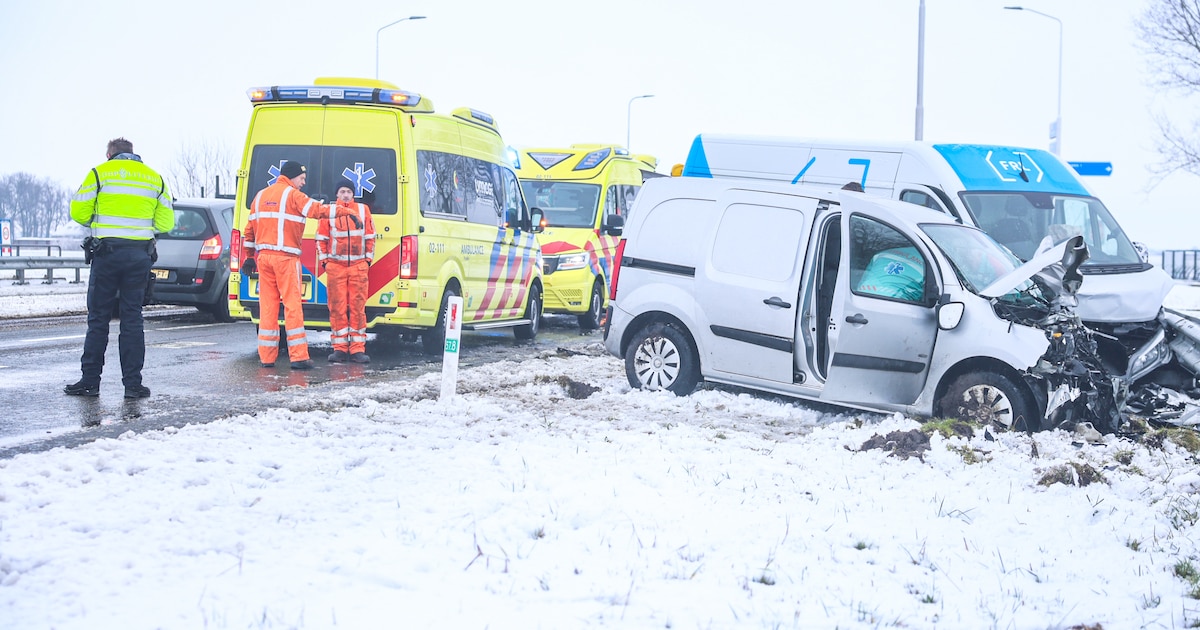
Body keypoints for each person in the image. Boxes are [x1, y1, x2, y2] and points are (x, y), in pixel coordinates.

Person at [65, 138, 174, 398]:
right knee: (132, 319)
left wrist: (100, 217)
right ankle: (133, 386)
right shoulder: (154, 178)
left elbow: (78, 213)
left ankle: (90, 382)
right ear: (133, 154)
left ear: (109, 154)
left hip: (107, 255)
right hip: (139, 257)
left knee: (99, 319)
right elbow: (166, 223)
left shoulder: (99, 173)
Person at [241, 161, 331, 369]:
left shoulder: (260, 196)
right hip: (286, 259)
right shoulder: (293, 195)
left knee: (268, 308)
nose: (303, 183)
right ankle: (298, 357)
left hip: (264, 260)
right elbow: (317, 210)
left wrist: (248, 256)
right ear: (292, 177)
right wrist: (345, 212)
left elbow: (249, 231)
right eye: (301, 179)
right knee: (292, 306)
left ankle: (267, 357)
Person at [317, 180, 375, 364]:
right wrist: (325, 262)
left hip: (358, 267)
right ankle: (339, 349)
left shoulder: (363, 210)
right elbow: (321, 239)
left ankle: (358, 349)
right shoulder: (329, 211)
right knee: (337, 308)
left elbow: (370, 236)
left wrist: (367, 260)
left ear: (353, 194)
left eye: (349, 191)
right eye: (342, 191)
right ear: (337, 194)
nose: (345, 194)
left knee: (358, 308)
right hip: (336, 267)